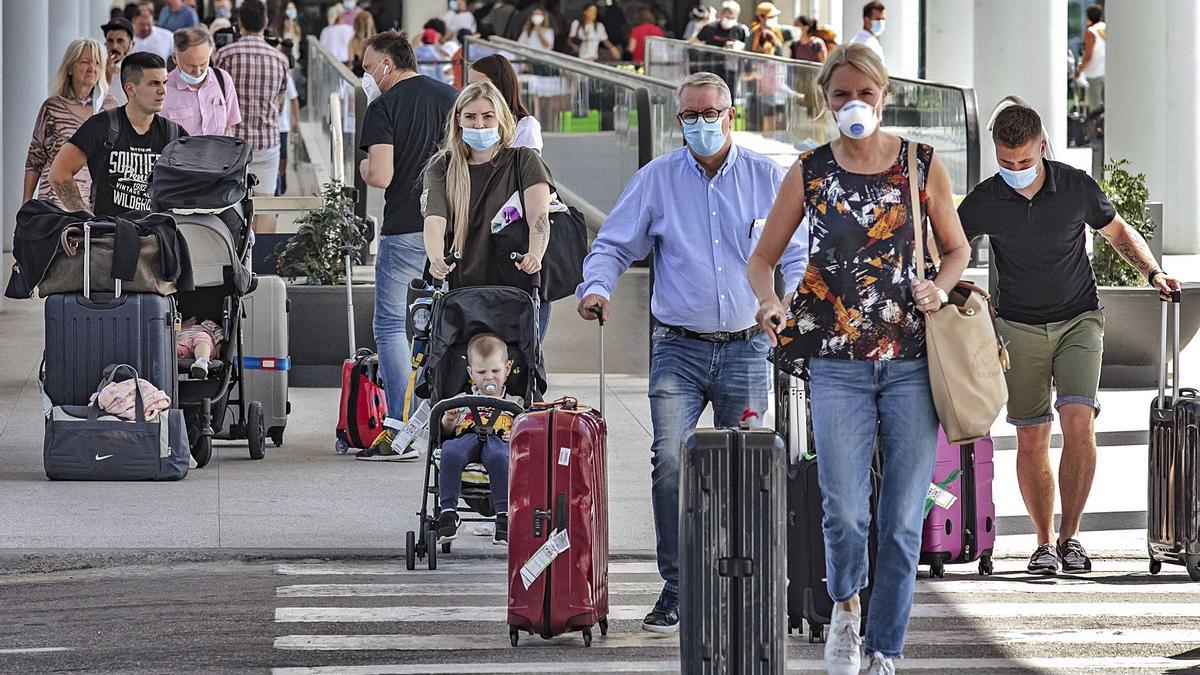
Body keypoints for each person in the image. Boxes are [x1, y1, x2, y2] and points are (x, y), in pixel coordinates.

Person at [749, 44, 969, 674]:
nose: (853, 105)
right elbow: (762, 259)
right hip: (837, 364)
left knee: (901, 523)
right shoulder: (810, 170)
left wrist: (941, 286)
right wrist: (769, 304)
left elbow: (954, 250)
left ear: (883, 95)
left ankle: (883, 650)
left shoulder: (921, 164)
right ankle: (845, 614)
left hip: (910, 364)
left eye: (864, 95)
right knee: (845, 512)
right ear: (826, 100)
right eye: (841, 95)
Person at [577, 71, 806, 635]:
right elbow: (612, 244)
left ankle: (743, 578)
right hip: (677, 347)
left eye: (711, 114)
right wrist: (596, 288)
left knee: (748, 466)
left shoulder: (765, 178)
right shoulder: (657, 179)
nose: (701, 124)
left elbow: (798, 254)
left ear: (732, 115)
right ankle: (678, 585)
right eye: (690, 116)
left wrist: (785, 304)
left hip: (748, 347)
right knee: (672, 463)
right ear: (679, 120)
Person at [957, 99, 1180, 577]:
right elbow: (949, 245)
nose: (1015, 170)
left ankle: (1071, 537)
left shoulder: (1075, 186)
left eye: (1024, 160)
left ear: (1042, 146)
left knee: (1079, 420)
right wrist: (947, 288)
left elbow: (1118, 232)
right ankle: (1042, 544)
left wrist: (1153, 272)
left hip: (1079, 318)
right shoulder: (985, 199)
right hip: (1016, 326)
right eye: (1005, 162)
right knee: (1031, 435)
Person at [355, 30, 458, 460]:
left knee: (392, 326)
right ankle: (444, 420)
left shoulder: (383, 107)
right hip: (452, 230)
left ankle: (401, 425)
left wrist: (362, 166)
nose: (367, 76)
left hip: (403, 229)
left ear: (389, 63)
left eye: (368, 68)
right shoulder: (453, 97)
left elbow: (380, 175)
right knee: (444, 325)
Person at [422, 81, 553, 295]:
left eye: (488, 116)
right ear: (459, 120)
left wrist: (534, 254)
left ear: (501, 119)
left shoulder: (523, 160)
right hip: (462, 287)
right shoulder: (442, 167)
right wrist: (436, 259)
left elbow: (539, 216)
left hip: (519, 285)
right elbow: (434, 219)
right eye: (470, 117)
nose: (479, 125)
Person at [49, 52, 188, 217]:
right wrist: (85, 216)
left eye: (164, 82)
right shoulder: (102, 126)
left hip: (157, 235)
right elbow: (59, 174)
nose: (162, 91)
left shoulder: (174, 133)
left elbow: (192, 184)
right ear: (130, 88)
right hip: (108, 236)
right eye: (154, 84)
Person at [435, 333, 523, 547]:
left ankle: (503, 517)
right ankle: (448, 514)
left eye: (495, 371)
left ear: (508, 369)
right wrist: (448, 420)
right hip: (465, 438)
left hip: (498, 443)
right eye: (481, 372)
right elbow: (444, 433)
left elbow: (526, 431)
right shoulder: (459, 400)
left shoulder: (515, 402)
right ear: (470, 373)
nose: (489, 377)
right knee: (449, 451)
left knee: (499, 457)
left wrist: (516, 434)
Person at [214, 0, 290, 216]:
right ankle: (264, 250)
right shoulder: (281, 59)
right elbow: (281, 103)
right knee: (265, 209)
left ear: (239, 22)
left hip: (233, 146)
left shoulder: (224, 56)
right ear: (265, 22)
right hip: (267, 143)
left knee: (232, 209)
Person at [24, 39, 119, 210]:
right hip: (53, 203)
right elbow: (34, 159)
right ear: (69, 68)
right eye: (85, 62)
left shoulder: (110, 108)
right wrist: (26, 204)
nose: (92, 68)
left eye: (97, 63)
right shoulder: (52, 107)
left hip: (93, 206)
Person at [162, 26, 241, 136]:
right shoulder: (163, 89)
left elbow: (230, 126)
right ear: (175, 58)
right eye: (190, 66)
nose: (198, 71)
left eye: (203, 63)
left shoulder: (222, 79)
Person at [467, 54, 542, 152]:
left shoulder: (525, 125)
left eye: (480, 85)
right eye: (469, 86)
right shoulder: (468, 123)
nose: (472, 92)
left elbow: (527, 165)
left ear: (500, 85)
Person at [1075, 3, 1106, 114]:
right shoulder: (1105, 27)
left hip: (1094, 73)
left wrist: (1080, 70)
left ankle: (1097, 130)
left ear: (1088, 16)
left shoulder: (1091, 32)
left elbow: (1088, 56)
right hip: (1106, 72)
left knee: (1095, 107)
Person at [276, 73, 300, 195]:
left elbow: (293, 99)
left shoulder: (285, 76)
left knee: (282, 157)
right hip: (267, 126)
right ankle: (277, 189)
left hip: (282, 126)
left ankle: (281, 177)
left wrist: (296, 120)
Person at [103, 17, 135, 106]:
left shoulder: (140, 69)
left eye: (120, 41)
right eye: (110, 41)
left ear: (131, 44)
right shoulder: (96, 69)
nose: (114, 47)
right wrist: (106, 76)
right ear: (105, 44)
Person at [348, 9, 377, 76]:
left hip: (357, 77)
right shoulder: (375, 42)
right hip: (371, 77)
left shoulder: (353, 42)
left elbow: (351, 64)